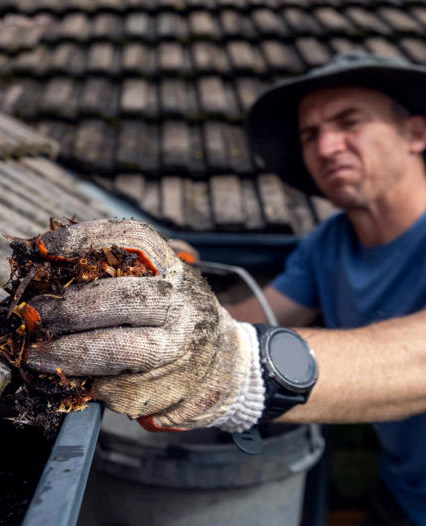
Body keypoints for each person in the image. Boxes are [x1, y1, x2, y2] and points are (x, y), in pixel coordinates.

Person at [22, 53, 426, 525]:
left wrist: (240, 371)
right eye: (310, 135)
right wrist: (172, 280)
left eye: (348, 121)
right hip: (401, 494)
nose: (327, 145)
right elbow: (247, 320)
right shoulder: (328, 246)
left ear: (416, 133)